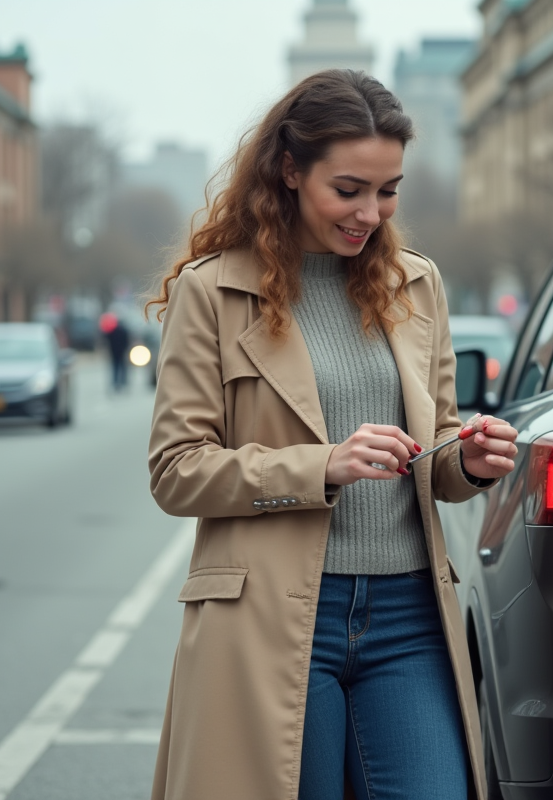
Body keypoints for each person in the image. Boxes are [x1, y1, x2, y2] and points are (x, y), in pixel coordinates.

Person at [145, 69, 518, 800]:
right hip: (273, 617)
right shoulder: (213, 291)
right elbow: (176, 470)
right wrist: (321, 466)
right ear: (288, 170)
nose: (371, 213)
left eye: (388, 191)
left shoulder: (417, 285)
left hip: (410, 616)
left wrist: (468, 461)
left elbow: (434, 452)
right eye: (348, 190)